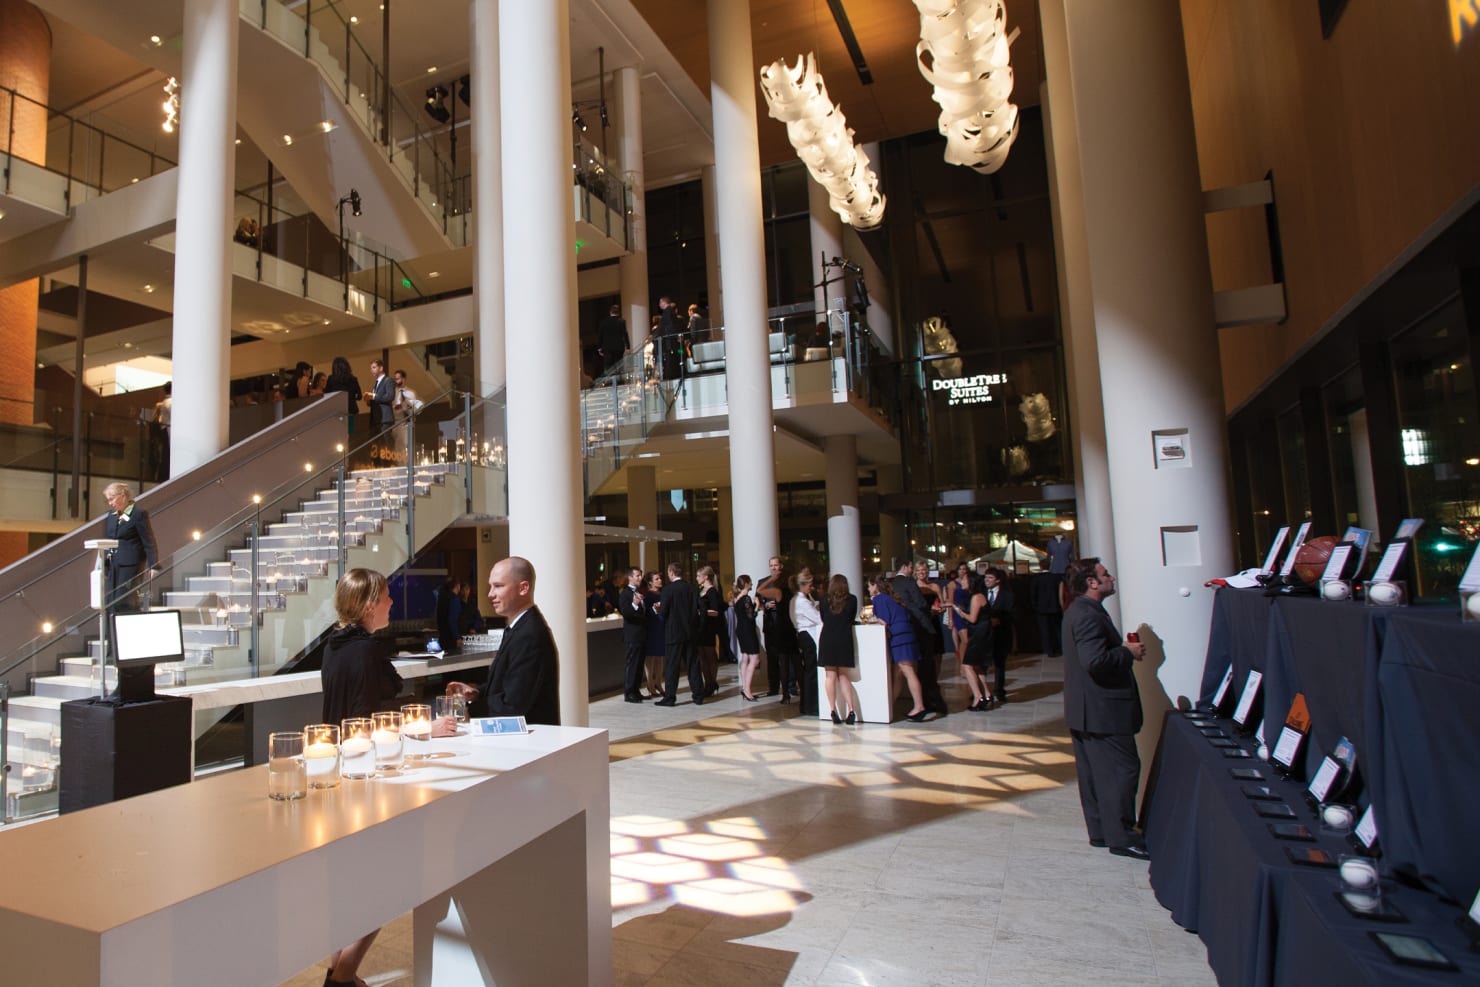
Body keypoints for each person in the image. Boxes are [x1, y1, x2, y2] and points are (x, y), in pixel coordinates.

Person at [319, 567, 453, 987]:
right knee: (388, 879)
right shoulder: (367, 651)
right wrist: (422, 727)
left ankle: (338, 970)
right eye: (386, 597)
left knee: (352, 879)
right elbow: (369, 719)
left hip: (339, 767)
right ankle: (342, 976)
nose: (393, 603)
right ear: (369, 603)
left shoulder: (334, 646)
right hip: (368, 774)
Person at [1062, 557, 1148, 859]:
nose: (1111, 577)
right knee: (1120, 771)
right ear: (1092, 583)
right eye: (1104, 574)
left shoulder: (1080, 610)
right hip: (1102, 708)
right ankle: (1121, 836)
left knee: (1096, 773)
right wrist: (1126, 652)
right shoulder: (1086, 614)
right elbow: (1094, 661)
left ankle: (1102, 831)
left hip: (1088, 707)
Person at [446, 557, 561, 725]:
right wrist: (476, 692)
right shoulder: (519, 627)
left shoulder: (529, 633)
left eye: (498, 586)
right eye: (491, 586)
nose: (490, 594)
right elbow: (510, 685)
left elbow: (514, 703)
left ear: (523, 588)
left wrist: (468, 711)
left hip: (530, 744)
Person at [891, 560, 945, 716]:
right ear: (910, 568)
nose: (921, 572)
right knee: (924, 666)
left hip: (918, 626)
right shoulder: (909, 582)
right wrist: (930, 610)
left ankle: (924, 702)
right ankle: (927, 702)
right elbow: (920, 603)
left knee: (921, 665)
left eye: (924, 570)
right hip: (922, 625)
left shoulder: (896, 584)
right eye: (917, 569)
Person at [870, 574, 927, 721]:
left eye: (869, 586)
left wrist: (871, 620)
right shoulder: (894, 599)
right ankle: (890, 705)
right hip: (907, 635)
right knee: (899, 673)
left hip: (899, 638)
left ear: (875, 586)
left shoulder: (879, 599)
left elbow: (884, 621)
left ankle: (919, 706)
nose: (869, 589)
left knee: (908, 672)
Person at [102, 482, 158, 613]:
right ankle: (112, 632)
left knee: (124, 600)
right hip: (113, 564)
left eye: (111, 499)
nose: (110, 503)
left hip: (131, 564)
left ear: (122, 496)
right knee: (111, 602)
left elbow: (148, 540)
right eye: (108, 500)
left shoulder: (138, 514)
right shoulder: (110, 516)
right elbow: (107, 541)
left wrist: (153, 564)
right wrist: (105, 566)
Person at [656, 561, 703, 706]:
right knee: (693, 664)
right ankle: (698, 696)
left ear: (671, 572)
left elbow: (663, 613)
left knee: (672, 666)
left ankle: (670, 697)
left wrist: (658, 611)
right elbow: (701, 608)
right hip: (690, 632)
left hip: (673, 633)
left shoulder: (667, 590)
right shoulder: (692, 588)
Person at [819, 574, 861, 724]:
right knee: (844, 676)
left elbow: (823, 618)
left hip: (827, 639)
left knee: (830, 677)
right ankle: (851, 710)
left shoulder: (824, 600)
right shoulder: (852, 600)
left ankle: (833, 710)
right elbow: (851, 618)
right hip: (844, 639)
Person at [757, 556, 797, 701]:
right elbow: (758, 601)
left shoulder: (788, 582)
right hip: (770, 624)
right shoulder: (763, 582)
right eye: (771, 565)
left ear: (781, 566)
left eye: (776, 565)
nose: (773, 567)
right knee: (772, 658)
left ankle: (791, 687)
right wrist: (765, 606)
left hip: (786, 624)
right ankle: (773, 687)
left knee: (789, 659)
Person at [953, 575, 993, 711]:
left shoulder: (976, 597)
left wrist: (960, 612)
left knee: (967, 665)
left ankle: (978, 696)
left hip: (979, 635)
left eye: (964, 579)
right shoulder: (980, 595)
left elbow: (972, 619)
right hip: (982, 633)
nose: (962, 582)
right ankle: (987, 694)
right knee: (977, 666)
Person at [790, 569, 823, 717]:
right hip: (808, 636)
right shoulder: (802, 602)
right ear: (803, 585)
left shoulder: (798, 600)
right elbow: (817, 618)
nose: (812, 588)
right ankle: (811, 706)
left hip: (804, 636)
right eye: (810, 585)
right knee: (811, 672)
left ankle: (807, 705)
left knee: (808, 672)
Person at [982, 566, 1015, 704]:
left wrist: (999, 620)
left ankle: (999, 691)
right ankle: (981, 691)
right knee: (982, 664)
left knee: (999, 664)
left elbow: (1013, 614)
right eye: (985, 578)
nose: (987, 581)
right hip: (984, 634)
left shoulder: (1007, 595)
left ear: (998, 580)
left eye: (990, 578)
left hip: (1001, 633)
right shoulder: (981, 593)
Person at [618, 566, 647, 703]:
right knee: (632, 663)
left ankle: (636, 690)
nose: (640, 578)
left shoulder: (639, 592)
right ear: (630, 577)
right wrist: (635, 604)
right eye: (637, 576)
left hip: (641, 634)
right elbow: (627, 613)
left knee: (639, 664)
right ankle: (629, 692)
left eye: (640, 575)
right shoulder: (626, 594)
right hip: (632, 635)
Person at [732, 574, 761, 702]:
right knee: (754, 658)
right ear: (747, 584)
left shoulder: (737, 598)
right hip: (748, 630)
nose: (752, 584)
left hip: (740, 629)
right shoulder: (746, 599)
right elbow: (751, 616)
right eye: (750, 582)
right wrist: (757, 605)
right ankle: (747, 690)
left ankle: (745, 687)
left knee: (745, 657)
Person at [696, 565, 724, 700]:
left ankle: (711, 682)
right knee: (702, 656)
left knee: (709, 655)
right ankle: (707, 682)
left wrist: (701, 613)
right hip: (701, 628)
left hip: (709, 627)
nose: (696, 578)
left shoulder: (712, 592)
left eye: (698, 576)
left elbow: (716, 611)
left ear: (705, 577)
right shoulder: (701, 590)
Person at [364, 359, 395, 461]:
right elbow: (377, 399)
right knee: (374, 445)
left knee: (386, 443)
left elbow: (390, 396)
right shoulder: (376, 384)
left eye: (374, 367)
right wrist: (369, 401)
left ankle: (391, 465)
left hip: (385, 418)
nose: (372, 370)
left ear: (381, 368)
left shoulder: (388, 380)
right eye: (371, 368)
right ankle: (376, 466)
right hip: (375, 419)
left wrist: (373, 396)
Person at [641, 571, 666, 699]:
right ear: (650, 582)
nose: (660, 580)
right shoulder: (648, 596)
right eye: (656, 579)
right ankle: (650, 684)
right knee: (650, 657)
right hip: (652, 627)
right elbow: (647, 612)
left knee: (660, 657)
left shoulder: (662, 594)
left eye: (660, 578)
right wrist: (654, 609)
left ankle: (659, 683)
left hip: (661, 627)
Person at [1032, 568, 1064, 658]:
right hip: (1055, 607)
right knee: (1058, 629)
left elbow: (1033, 594)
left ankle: (1050, 651)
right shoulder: (1056, 578)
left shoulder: (1036, 579)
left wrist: (1035, 606)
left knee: (1045, 630)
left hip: (1041, 609)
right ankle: (1062, 648)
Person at [323, 356, 362, 422]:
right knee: (351, 431)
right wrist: (351, 397)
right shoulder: (353, 379)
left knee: (338, 431)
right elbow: (359, 396)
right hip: (351, 410)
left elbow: (326, 395)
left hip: (337, 411)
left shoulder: (331, 379)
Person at [949, 561, 972, 662]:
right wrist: (950, 619)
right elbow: (950, 602)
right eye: (961, 569)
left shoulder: (970, 583)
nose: (963, 571)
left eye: (965, 569)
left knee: (969, 640)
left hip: (969, 612)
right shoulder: (953, 584)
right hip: (958, 613)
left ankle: (968, 662)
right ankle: (963, 662)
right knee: (965, 639)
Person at [597, 304, 629, 372]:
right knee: (619, 365)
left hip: (607, 348)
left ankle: (609, 381)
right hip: (619, 347)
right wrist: (628, 347)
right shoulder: (621, 322)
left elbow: (600, 335)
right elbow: (625, 334)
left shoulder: (604, 322)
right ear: (618, 313)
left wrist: (599, 348)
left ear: (610, 312)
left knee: (608, 366)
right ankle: (619, 380)